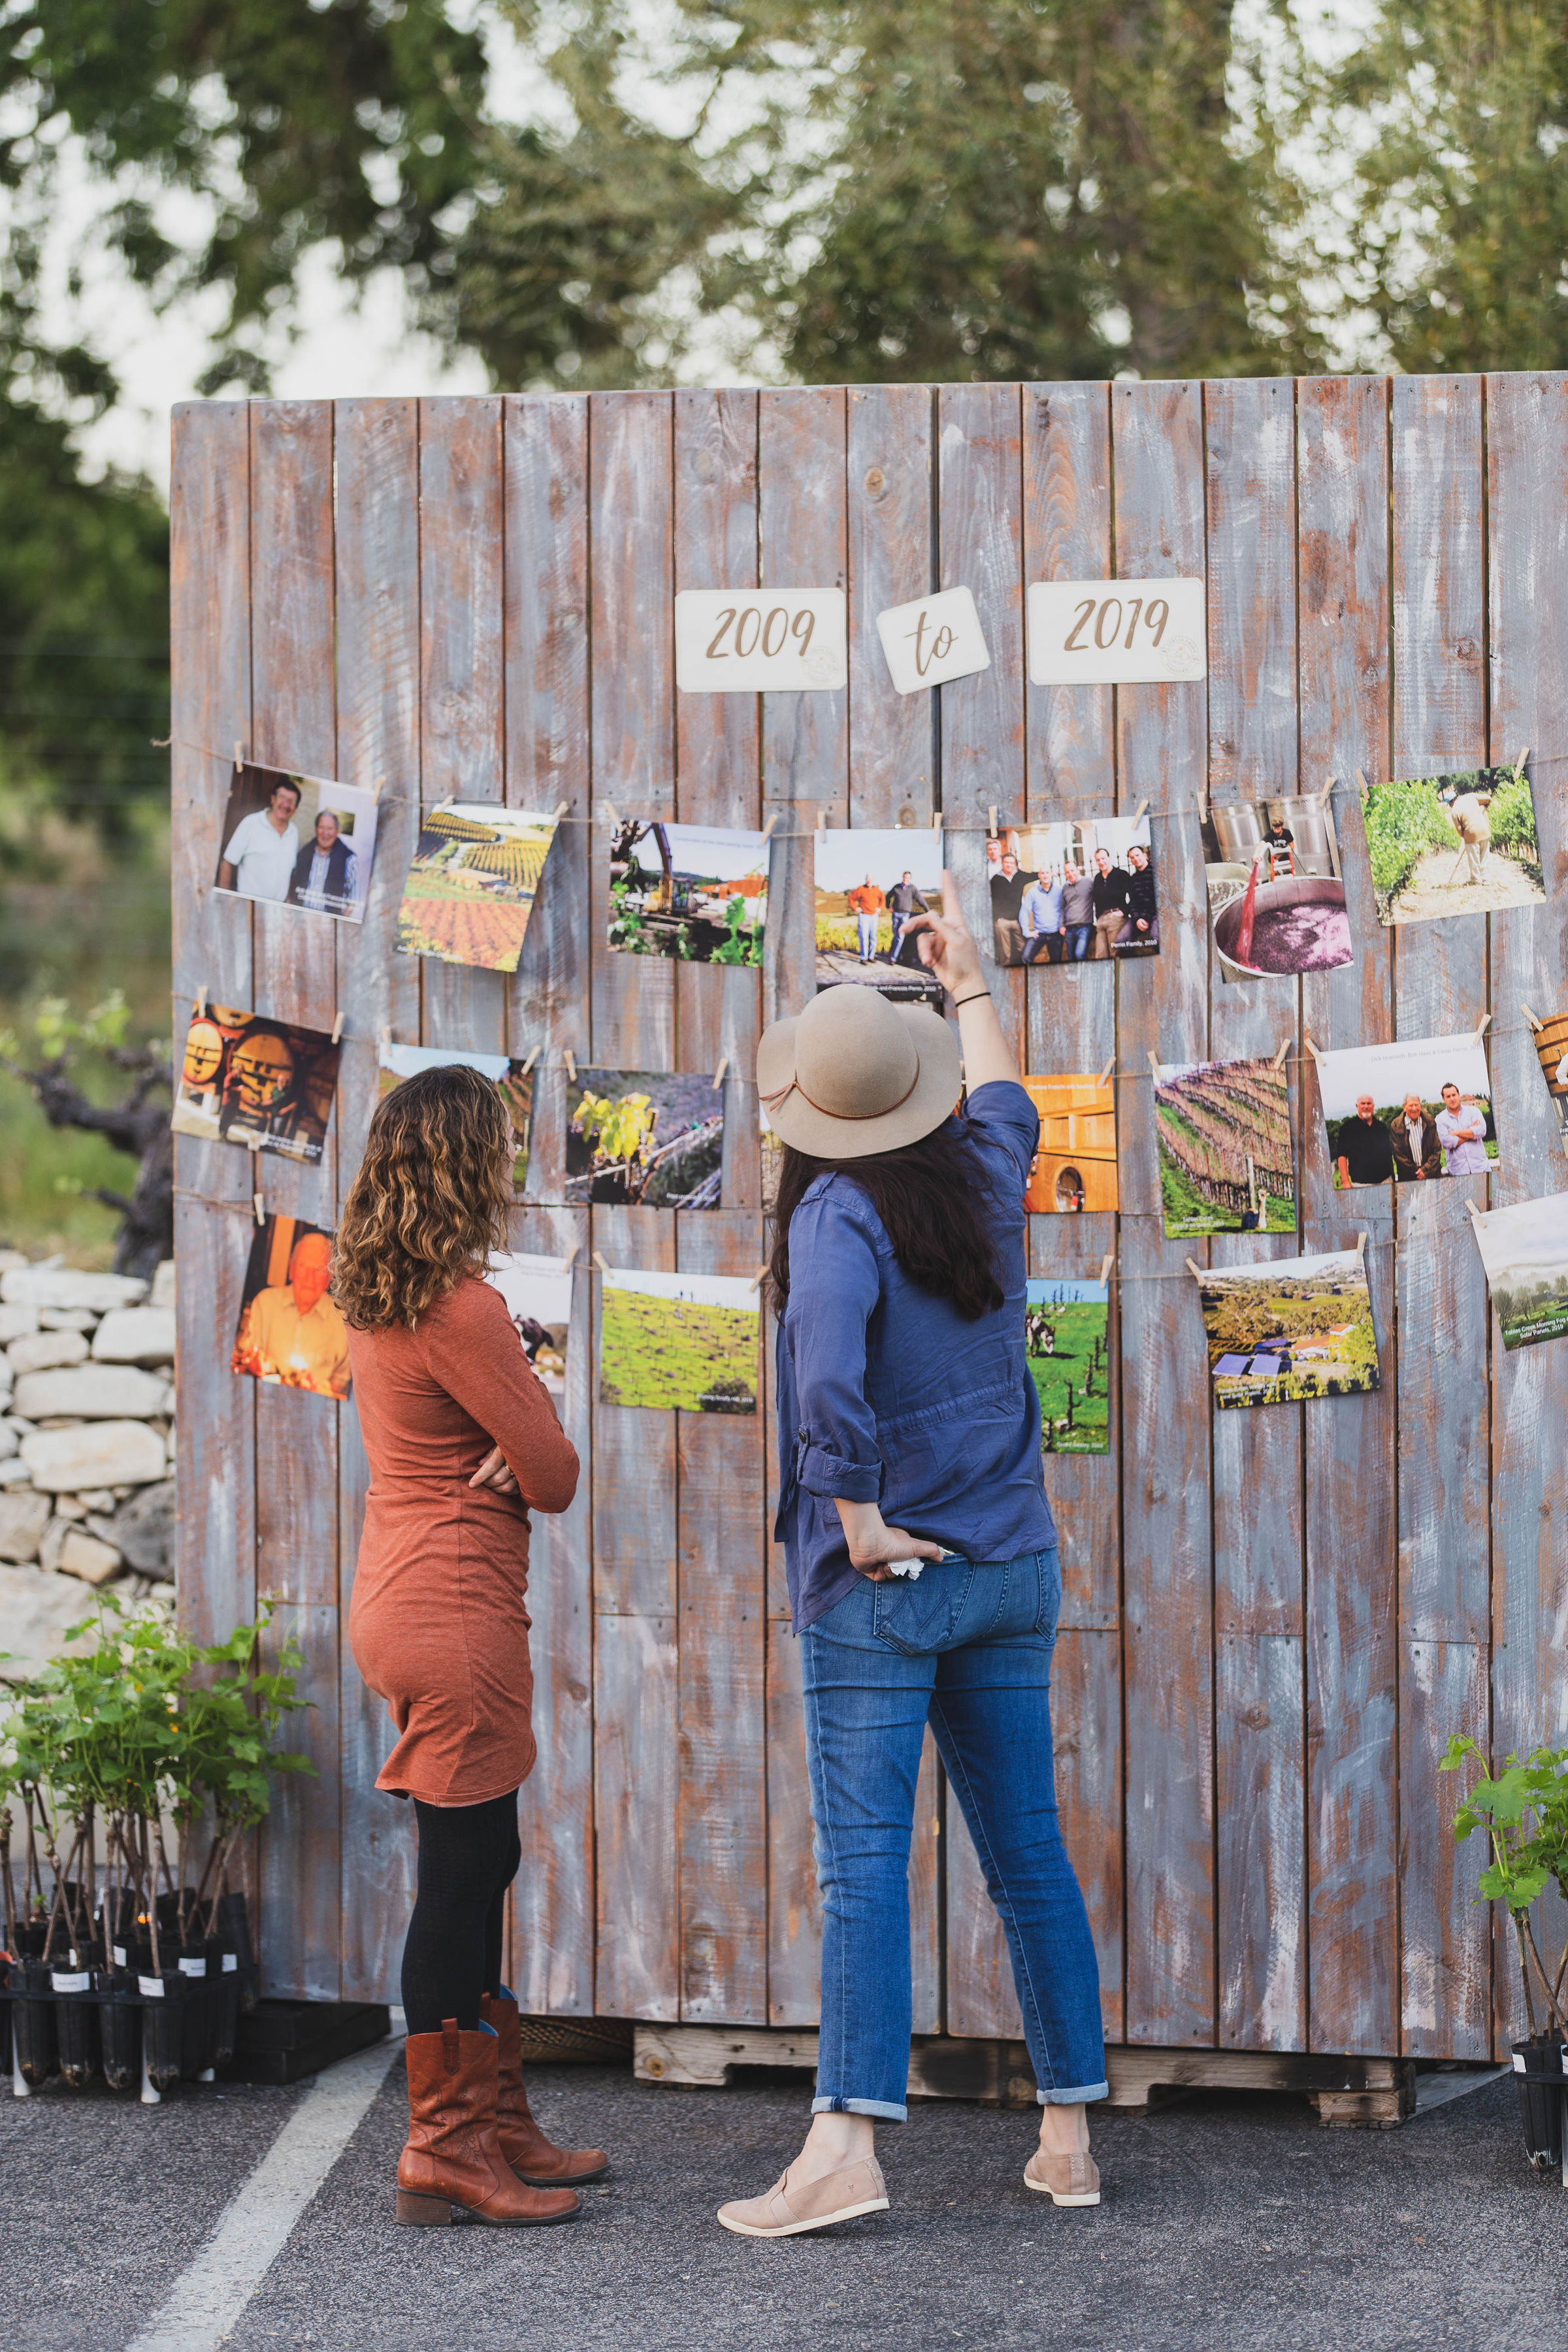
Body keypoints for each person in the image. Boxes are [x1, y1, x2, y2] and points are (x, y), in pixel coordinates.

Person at [719, 883, 1106, 2240]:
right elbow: (1017, 1098)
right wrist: (972, 976)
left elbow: (826, 1374)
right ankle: (1067, 2137)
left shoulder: (833, 1215)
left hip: (882, 1590)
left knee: (865, 1868)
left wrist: (859, 1517)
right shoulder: (983, 1171)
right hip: (1009, 1562)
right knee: (1030, 1856)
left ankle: (845, 2150)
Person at [336, 1066, 605, 2229]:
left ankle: (496, 2124)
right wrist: (521, 1441)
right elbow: (551, 1474)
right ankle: (443, 2149)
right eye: (497, 1147)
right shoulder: (468, 1309)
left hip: (399, 1597)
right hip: (457, 1608)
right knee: (459, 1880)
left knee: (479, 1862)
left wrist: (504, 1441)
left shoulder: (376, 1295)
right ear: (466, 1165)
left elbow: (499, 1448)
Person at [233, 1231, 352, 1398]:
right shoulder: (265, 1303)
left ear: (328, 1279)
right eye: (303, 1266)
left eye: (318, 1269)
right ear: (291, 1270)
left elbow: (342, 1390)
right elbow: (245, 1362)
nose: (309, 1278)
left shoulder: (343, 1323)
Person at [218, 777, 302, 900]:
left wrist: (287, 901)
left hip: (277, 912)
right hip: (248, 906)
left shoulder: (294, 832)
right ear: (272, 799)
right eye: (282, 798)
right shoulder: (251, 823)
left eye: (291, 801)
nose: (286, 805)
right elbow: (227, 863)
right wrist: (224, 901)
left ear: (295, 808)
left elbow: (289, 872)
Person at [289, 806, 360, 915]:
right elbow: (292, 886)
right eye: (322, 827)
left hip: (329, 925)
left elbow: (353, 902)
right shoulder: (303, 853)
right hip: (300, 919)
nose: (325, 833)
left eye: (330, 829)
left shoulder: (350, 860)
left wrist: (338, 924)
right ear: (316, 830)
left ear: (337, 832)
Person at [1335, 1094, 1394, 1187]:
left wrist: (1393, 1179)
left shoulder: (1381, 1127)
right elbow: (1341, 1156)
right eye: (1363, 1104)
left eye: (1369, 1103)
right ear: (1357, 1106)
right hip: (1361, 1184)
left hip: (1386, 1181)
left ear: (1373, 1106)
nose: (1366, 1106)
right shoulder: (1348, 1128)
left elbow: (1389, 1155)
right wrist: (1345, 1181)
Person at [1435, 1081, 1490, 1175]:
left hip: (1481, 1168)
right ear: (1443, 1099)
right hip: (1458, 1172)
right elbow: (1446, 1142)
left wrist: (1455, 1133)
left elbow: (1482, 1131)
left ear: (1459, 1095)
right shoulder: (1440, 1119)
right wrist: (1471, 1132)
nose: (1452, 1099)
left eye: (1454, 1095)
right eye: (1448, 1097)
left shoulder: (1473, 1111)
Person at [1390, 1091, 1443, 1181]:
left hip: (1432, 1175)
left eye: (1416, 1105)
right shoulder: (1396, 1126)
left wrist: (1425, 1171)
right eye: (1411, 1105)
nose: (1414, 1108)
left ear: (1420, 1105)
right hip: (1408, 1179)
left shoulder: (1430, 1122)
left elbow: (1437, 1150)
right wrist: (1417, 1173)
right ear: (1404, 1107)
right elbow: (1398, 1155)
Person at [1089, 847, 1130, 959]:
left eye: (1103, 858)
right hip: (1101, 920)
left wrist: (1124, 912)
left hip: (1115, 917)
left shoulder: (1121, 874)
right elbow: (1096, 900)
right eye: (1098, 860)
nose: (1101, 862)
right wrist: (1098, 918)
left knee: (1115, 953)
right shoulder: (1098, 878)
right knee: (1100, 956)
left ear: (1109, 858)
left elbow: (1134, 895)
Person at [1446, 788, 1492, 885]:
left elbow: (1459, 830)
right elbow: (1488, 798)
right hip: (1484, 830)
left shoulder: (1454, 811)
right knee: (1484, 857)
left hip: (1471, 834)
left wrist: (1465, 837)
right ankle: (1486, 879)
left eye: (1449, 804)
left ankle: (1476, 880)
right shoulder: (1471, 796)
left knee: (1474, 859)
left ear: (1451, 802)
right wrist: (1484, 808)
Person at [1019, 867, 1064, 964]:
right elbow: (1024, 911)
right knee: (1025, 958)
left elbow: (1064, 909)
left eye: (1047, 872)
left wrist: (1063, 926)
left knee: (1056, 964)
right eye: (1043, 873)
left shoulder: (1059, 890)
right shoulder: (1032, 892)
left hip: (1055, 933)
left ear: (1051, 874)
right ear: (1039, 875)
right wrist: (1026, 932)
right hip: (1039, 934)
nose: (1045, 875)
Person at [989, 852, 1028, 965]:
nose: (1009, 865)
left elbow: (1034, 875)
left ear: (1015, 864)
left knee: (1023, 948)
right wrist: (997, 918)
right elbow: (992, 900)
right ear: (1002, 863)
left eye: (1012, 863)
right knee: (1005, 953)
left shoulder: (1019, 876)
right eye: (1007, 862)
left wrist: (1047, 874)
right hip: (1002, 921)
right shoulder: (995, 879)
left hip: (1017, 920)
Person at [1120, 842, 1157, 952]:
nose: (1135, 859)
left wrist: (1146, 918)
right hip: (1138, 919)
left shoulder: (1156, 873)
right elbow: (1133, 903)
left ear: (1145, 855)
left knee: (1156, 939)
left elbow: (1158, 900)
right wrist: (1137, 919)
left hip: (1156, 915)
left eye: (1137, 855)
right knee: (1121, 942)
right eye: (1132, 857)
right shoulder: (1134, 878)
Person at [887, 872, 928, 964]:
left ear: (910, 879)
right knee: (896, 936)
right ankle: (894, 955)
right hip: (895, 914)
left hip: (905, 915)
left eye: (908, 878)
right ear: (903, 877)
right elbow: (888, 896)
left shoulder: (912, 888)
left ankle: (893, 959)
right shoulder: (897, 887)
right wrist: (888, 907)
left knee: (900, 937)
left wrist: (928, 911)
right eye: (905, 877)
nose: (906, 879)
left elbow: (920, 900)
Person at [1060, 861, 1095, 962]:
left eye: (1072, 870)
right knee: (1072, 959)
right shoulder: (1065, 888)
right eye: (1067, 872)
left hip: (1085, 927)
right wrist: (1061, 925)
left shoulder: (1089, 882)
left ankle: (1087, 976)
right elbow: (1062, 907)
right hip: (1069, 929)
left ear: (1078, 870)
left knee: (1079, 954)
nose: (1070, 874)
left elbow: (1099, 898)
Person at [847, 876, 885, 962]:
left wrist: (880, 908)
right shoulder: (861, 889)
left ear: (873, 881)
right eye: (868, 879)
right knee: (864, 937)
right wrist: (855, 908)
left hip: (874, 916)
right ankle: (863, 957)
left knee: (873, 937)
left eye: (871, 880)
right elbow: (851, 898)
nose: (869, 881)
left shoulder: (877, 890)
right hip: (864, 916)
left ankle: (871, 957)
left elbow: (883, 899)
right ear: (866, 880)